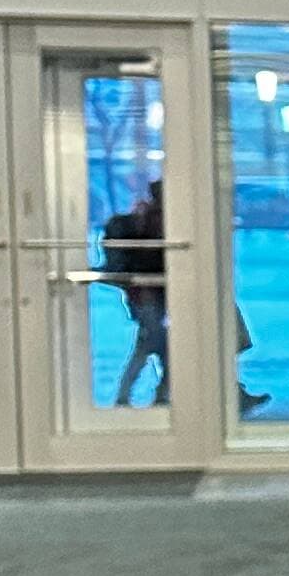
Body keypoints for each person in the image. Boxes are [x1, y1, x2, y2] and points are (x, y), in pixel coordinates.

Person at [98, 171, 169, 404]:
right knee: (157, 345)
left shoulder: (146, 216)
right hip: (147, 292)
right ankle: (154, 395)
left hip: (147, 292)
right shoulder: (153, 219)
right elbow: (150, 257)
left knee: (151, 343)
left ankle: (133, 395)